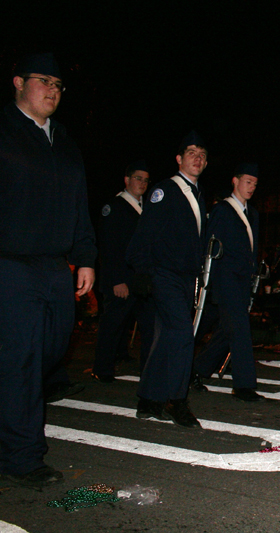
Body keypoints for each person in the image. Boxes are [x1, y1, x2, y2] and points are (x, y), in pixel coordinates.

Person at [0, 53, 96, 489]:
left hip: (55, 267)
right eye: (44, 81)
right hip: (11, 263)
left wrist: (87, 257)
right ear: (19, 82)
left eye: (59, 84)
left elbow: (80, 207)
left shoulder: (65, 144)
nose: (53, 90)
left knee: (50, 352)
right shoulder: (4, 131)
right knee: (21, 357)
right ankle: (22, 456)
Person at [126, 131, 208, 429]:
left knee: (167, 337)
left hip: (185, 278)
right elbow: (145, 233)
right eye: (191, 153)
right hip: (164, 274)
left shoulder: (198, 194)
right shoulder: (165, 190)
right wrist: (142, 272)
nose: (197, 158)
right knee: (183, 334)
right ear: (178, 159)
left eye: (202, 155)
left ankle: (148, 399)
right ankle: (176, 400)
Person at [193, 164, 264, 402]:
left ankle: (196, 370)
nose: (251, 187)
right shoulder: (222, 210)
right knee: (241, 330)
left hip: (243, 280)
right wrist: (207, 282)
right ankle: (244, 386)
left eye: (255, 184)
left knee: (227, 330)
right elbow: (210, 246)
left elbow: (252, 249)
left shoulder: (253, 214)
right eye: (248, 182)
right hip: (225, 278)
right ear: (235, 181)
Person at [92, 160, 156, 382]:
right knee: (113, 325)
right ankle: (102, 368)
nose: (142, 183)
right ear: (127, 180)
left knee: (149, 326)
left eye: (146, 180)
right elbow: (109, 246)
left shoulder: (147, 207)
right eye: (138, 178)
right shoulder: (115, 207)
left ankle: (147, 369)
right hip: (122, 279)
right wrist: (117, 280)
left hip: (142, 280)